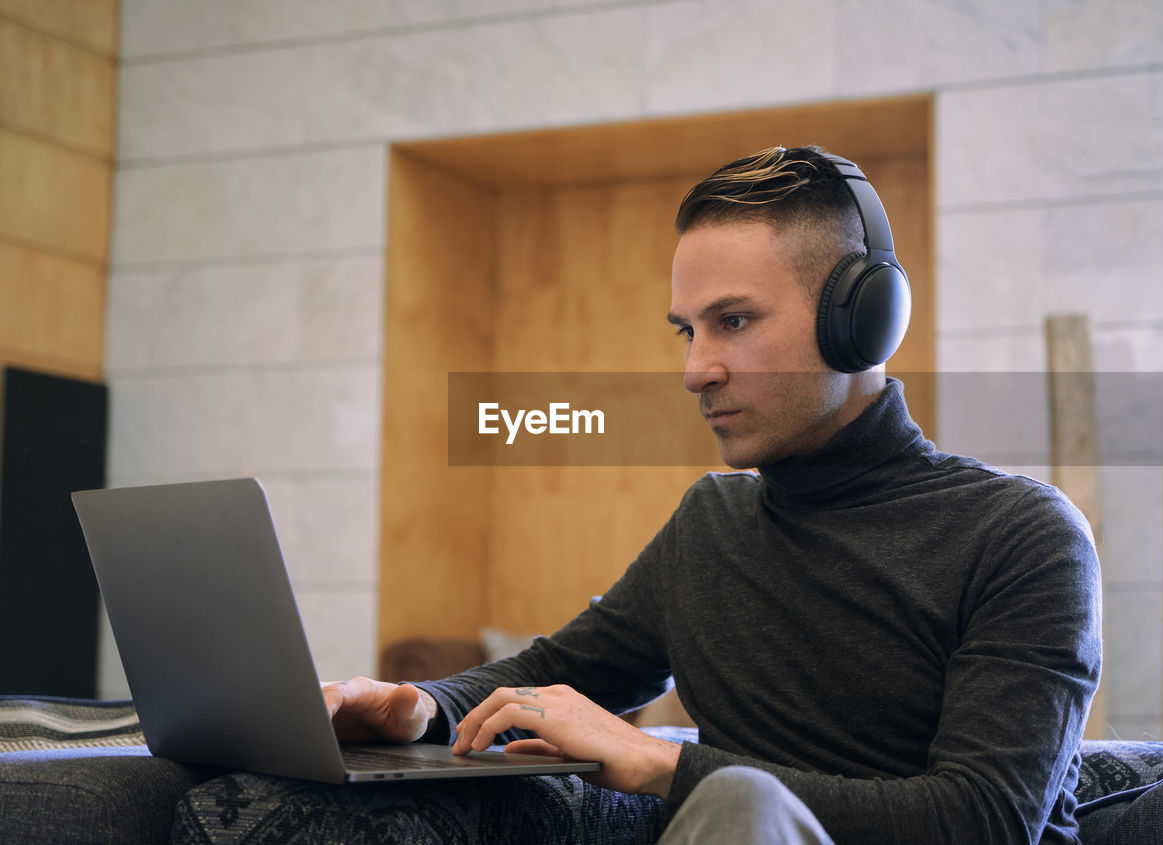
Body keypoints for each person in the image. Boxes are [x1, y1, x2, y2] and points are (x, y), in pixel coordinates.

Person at [324, 146, 1102, 843]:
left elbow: (983, 820)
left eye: (733, 320)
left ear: (859, 324)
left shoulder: (1023, 535)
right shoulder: (712, 522)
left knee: (739, 809)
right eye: (686, 331)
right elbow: (560, 666)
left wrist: (665, 763)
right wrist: (420, 707)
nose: (696, 369)